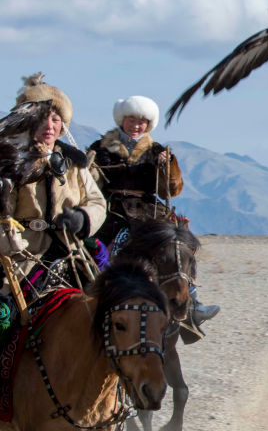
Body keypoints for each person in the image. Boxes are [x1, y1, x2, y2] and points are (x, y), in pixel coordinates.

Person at [89, 95, 220, 328]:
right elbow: (89, 182)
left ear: (148, 124)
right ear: (122, 120)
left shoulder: (158, 151)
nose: (136, 125)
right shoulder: (100, 149)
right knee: (97, 247)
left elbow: (172, 189)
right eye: (132, 120)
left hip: (147, 211)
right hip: (112, 209)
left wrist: (167, 166)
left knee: (180, 246)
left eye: (142, 121)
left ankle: (192, 305)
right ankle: (91, 295)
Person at [0, 74, 107, 302]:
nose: (49, 126)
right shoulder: (11, 162)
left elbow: (97, 202)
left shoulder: (74, 162)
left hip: (71, 250)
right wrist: (9, 239)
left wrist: (83, 219)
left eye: (56, 120)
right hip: (24, 254)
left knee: (109, 305)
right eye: (42, 119)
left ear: (63, 126)